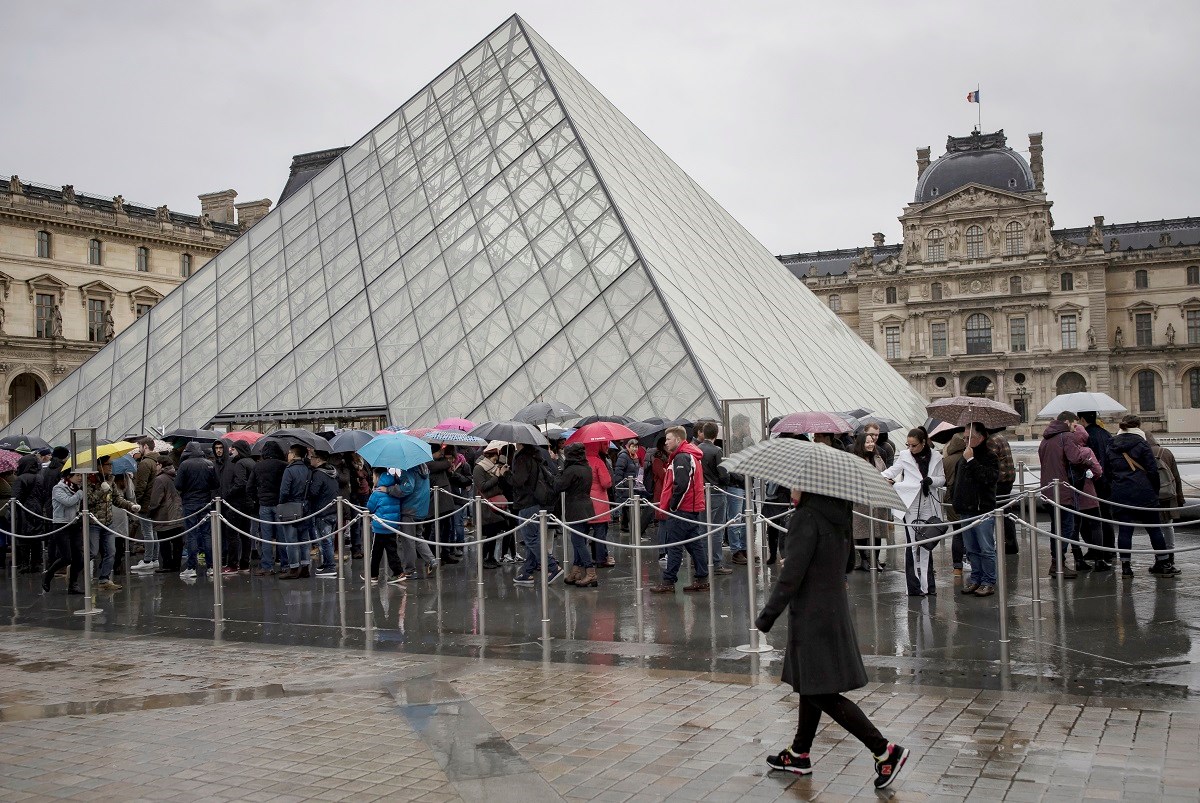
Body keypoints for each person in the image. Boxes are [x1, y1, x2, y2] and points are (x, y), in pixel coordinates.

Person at [755, 490, 910, 789]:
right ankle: (799, 753)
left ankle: (884, 751)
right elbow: (849, 562)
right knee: (812, 684)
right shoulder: (840, 512)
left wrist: (767, 615)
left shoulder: (805, 518)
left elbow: (791, 576)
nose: (791, 490)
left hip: (811, 614)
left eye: (795, 484)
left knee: (821, 692)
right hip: (833, 608)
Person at [1103, 415, 1172, 577]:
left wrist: (1114, 488)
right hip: (1144, 492)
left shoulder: (1111, 444)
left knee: (1125, 531)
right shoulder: (1142, 443)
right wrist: (1154, 491)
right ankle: (1163, 563)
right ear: (1138, 426)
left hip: (1121, 492)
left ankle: (1126, 568)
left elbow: (1106, 472)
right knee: (1154, 529)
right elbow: (1152, 470)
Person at [881, 427, 945, 597]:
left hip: (928, 503)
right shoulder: (904, 455)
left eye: (914, 445)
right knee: (911, 544)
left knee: (926, 544)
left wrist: (931, 480)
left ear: (923, 443)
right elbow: (892, 471)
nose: (911, 448)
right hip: (910, 503)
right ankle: (914, 587)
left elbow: (942, 479)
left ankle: (928, 585)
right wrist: (880, 477)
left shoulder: (936, 456)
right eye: (908, 445)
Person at [649, 426, 710, 593]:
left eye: (668, 439)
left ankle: (668, 581)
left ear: (677, 439)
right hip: (690, 508)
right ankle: (702, 578)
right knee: (694, 544)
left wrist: (673, 506)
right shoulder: (689, 456)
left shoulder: (681, 458)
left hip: (682, 509)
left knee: (674, 545)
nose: (666, 442)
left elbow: (681, 485)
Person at [951, 424, 1000, 597]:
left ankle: (988, 581)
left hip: (982, 509)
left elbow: (989, 479)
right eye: (964, 437)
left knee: (986, 548)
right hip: (966, 509)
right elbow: (957, 482)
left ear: (981, 437)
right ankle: (976, 578)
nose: (965, 441)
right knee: (971, 549)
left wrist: (972, 461)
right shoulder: (963, 458)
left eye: (969, 437)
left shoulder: (990, 457)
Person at [511, 442, 563, 587]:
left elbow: (518, 481)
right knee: (532, 539)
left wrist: (505, 474)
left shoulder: (522, 458)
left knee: (531, 539)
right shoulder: (537, 455)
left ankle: (552, 567)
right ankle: (527, 573)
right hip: (537, 501)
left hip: (526, 502)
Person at [1037, 412, 1080, 577]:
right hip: (1062, 489)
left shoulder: (1045, 439)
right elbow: (1075, 459)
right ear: (1067, 422)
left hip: (1048, 490)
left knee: (1056, 528)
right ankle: (1058, 564)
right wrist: (1088, 459)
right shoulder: (1067, 437)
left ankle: (1056, 563)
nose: (1075, 429)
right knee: (1067, 527)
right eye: (1074, 425)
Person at [88, 456, 139, 591]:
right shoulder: (89, 480)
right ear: (99, 466)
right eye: (107, 464)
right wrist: (101, 490)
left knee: (111, 551)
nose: (110, 467)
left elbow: (117, 499)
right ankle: (76, 567)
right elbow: (88, 501)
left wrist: (130, 506)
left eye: (110, 464)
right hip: (93, 522)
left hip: (108, 522)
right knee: (92, 552)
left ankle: (104, 579)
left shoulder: (111, 479)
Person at [174, 441, 219, 580]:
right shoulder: (209, 464)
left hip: (190, 502)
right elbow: (215, 484)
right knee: (207, 534)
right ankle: (211, 566)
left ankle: (191, 567)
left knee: (192, 534)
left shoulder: (185, 464)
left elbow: (178, 484)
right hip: (205, 502)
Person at [1067, 426, 1109, 572]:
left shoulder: (1066, 451)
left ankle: (1078, 560)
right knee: (1096, 525)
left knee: (1074, 528)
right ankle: (1099, 559)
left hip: (1071, 495)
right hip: (1088, 493)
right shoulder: (1087, 451)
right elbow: (1098, 471)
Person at [557, 443, 598, 587]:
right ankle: (576, 570)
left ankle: (590, 571)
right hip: (587, 506)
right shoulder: (586, 467)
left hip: (575, 508)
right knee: (579, 541)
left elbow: (559, 486)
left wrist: (558, 473)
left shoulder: (571, 470)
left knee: (578, 542)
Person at [695, 422, 732, 575]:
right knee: (716, 529)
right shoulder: (717, 451)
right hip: (716, 492)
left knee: (703, 529)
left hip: (701, 492)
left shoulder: (696, 449)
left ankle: (703, 561)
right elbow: (723, 474)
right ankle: (716, 563)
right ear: (716, 435)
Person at [1079, 411, 1116, 560]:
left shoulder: (1086, 436)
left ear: (1082, 419)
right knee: (1106, 516)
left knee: (1091, 518)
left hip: (1092, 481)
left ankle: (1095, 549)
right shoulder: (1106, 433)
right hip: (1108, 480)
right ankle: (1110, 549)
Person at [850, 426, 888, 572]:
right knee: (860, 531)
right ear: (861, 444)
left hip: (878, 500)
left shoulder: (878, 458)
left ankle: (875, 559)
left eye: (872, 441)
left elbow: (885, 473)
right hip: (861, 501)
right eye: (867, 442)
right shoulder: (855, 460)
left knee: (877, 531)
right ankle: (864, 559)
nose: (871, 444)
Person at [248, 441, 289, 576]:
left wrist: (257, 498)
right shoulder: (283, 466)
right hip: (280, 504)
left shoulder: (258, 466)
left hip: (264, 504)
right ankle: (285, 564)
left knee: (265, 537)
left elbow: (250, 487)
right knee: (282, 536)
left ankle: (267, 566)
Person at [43, 469, 85, 595]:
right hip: (61, 524)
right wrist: (80, 494)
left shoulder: (77, 488)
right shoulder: (59, 488)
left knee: (78, 556)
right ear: (69, 476)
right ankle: (48, 574)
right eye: (77, 475)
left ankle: (73, 584)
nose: (79, 478)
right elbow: (68, 502)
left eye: (80, 475)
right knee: (66, 557)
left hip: (75, 524)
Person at [1148, 434, 1183, 575]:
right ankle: (1170, 557)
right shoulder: (1166, 452)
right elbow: (1176, 476)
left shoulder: (1142, 452)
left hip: (1151, 495)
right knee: (1168, 526)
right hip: (1168, 494)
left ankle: (1160, 559)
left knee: (1155, 528)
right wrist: (1180, 497)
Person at [277, 445, 314, 580]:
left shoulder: (289, 470)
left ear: (293, 454)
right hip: (305, 507)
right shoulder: (308, 469)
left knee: (291, 539)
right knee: (304, 539)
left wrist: (281, 504)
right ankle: (305, 567)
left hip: (291, 506)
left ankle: (293, 568)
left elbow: (284, 491)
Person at [365, 468, 406, 586]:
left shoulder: (377, 493)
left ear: (378, 478)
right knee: (392, 550)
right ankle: (398, 572)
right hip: (392, 526)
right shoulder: (393, 490)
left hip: (379, 527)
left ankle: (373, 574)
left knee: (376, 552)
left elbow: (370, 508)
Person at [222, 440, 257, 574]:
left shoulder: (240, 463)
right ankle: (244, 563)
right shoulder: (252, 462)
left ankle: (232, 564)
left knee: (232, 534)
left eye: (234, 449)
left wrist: (228, 494)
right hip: (248, 502)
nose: (232, 451)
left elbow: (240, 483)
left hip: (237, 503)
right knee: (245, 534)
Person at [473, 442, 509, 570]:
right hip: (485, 506)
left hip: (495, 505)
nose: (496, 459)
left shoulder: (493, 468)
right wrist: (497, 476)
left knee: (494, 531)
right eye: (495, 456)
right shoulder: (479, 468)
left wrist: (502, 474)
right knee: (490, 531)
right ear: (490, 456)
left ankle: (491, 557)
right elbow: (482, 486)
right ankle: (483, 558)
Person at [146, 455, 184, 573]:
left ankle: (167, 565)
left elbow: (156, 499)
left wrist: (150, 511)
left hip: (164, 515)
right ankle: (177, 565)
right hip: (178, 514)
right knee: (178, 542)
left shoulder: (160, 479)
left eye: (157, 464)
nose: (156, 466)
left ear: (161, 465)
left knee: (164, 542)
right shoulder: (176, 476)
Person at [131, 437, 162, 572]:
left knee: (147, 531)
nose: (139, 449)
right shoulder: (158, 461)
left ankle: (148, 559)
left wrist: (136, 500)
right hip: (156, 501)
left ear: (145, 447)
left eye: (139, 446)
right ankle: (154, 558)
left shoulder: (145, 463)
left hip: (146, 502)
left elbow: (141, 485)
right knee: (154, 531)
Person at [308, 451, 340, 577]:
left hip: (322, 510)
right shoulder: (333, 472)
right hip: (332, 509)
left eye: (312, 458)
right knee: (328, 539)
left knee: (325, 540)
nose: (311, 460)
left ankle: (330, 566)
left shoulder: (318, 474)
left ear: (318, 459)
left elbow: (314, 492)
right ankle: (326, 563)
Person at [941, 432, 968, 578]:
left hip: (951, 499)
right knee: (969, 531)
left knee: (957, 532)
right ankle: (969, 559)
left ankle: (957, 566)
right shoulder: (968, 457)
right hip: (967, 499)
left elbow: (943, 481)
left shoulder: (946, 461)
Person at [12, 453, 44, 574]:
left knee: (23, 537)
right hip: (38, 509)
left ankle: (24, 563)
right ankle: (36, 563)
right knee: (36, 537)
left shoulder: (21, 479)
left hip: (24, 510)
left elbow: (15, 497)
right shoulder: (40, 477)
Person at [585, 443, 614, 569]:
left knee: (583, 533)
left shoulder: (582, 461)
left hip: (584, 501)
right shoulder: (598, 462)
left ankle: (584, 559)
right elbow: (606, 482)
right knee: (600, 531)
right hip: (599, 501)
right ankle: (600, 558)